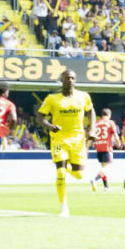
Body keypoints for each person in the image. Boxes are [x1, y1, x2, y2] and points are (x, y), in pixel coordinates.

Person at [38, 69, 94, 217]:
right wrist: (50, 127)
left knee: (79, 175)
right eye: (67, 78)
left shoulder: (83, 96)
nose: (70, 80)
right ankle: (64, 208)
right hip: (59, 138)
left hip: (78, 139)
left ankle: (68, 167)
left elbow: (91, 111)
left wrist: (91, 129)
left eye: (73, 78)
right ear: (61, 79)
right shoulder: (52, 98)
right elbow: (39, 117)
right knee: (60, 172)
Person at [89, 108, 118, 191]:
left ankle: (106, 187)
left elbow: (91, 135)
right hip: (107, 147)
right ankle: (95, 179)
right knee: (107, 167)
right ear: (109, 115)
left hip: (98, 147)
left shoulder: (96, 123)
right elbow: (115, 134)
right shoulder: (110, 122)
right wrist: (118, 143)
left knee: (103, 168)